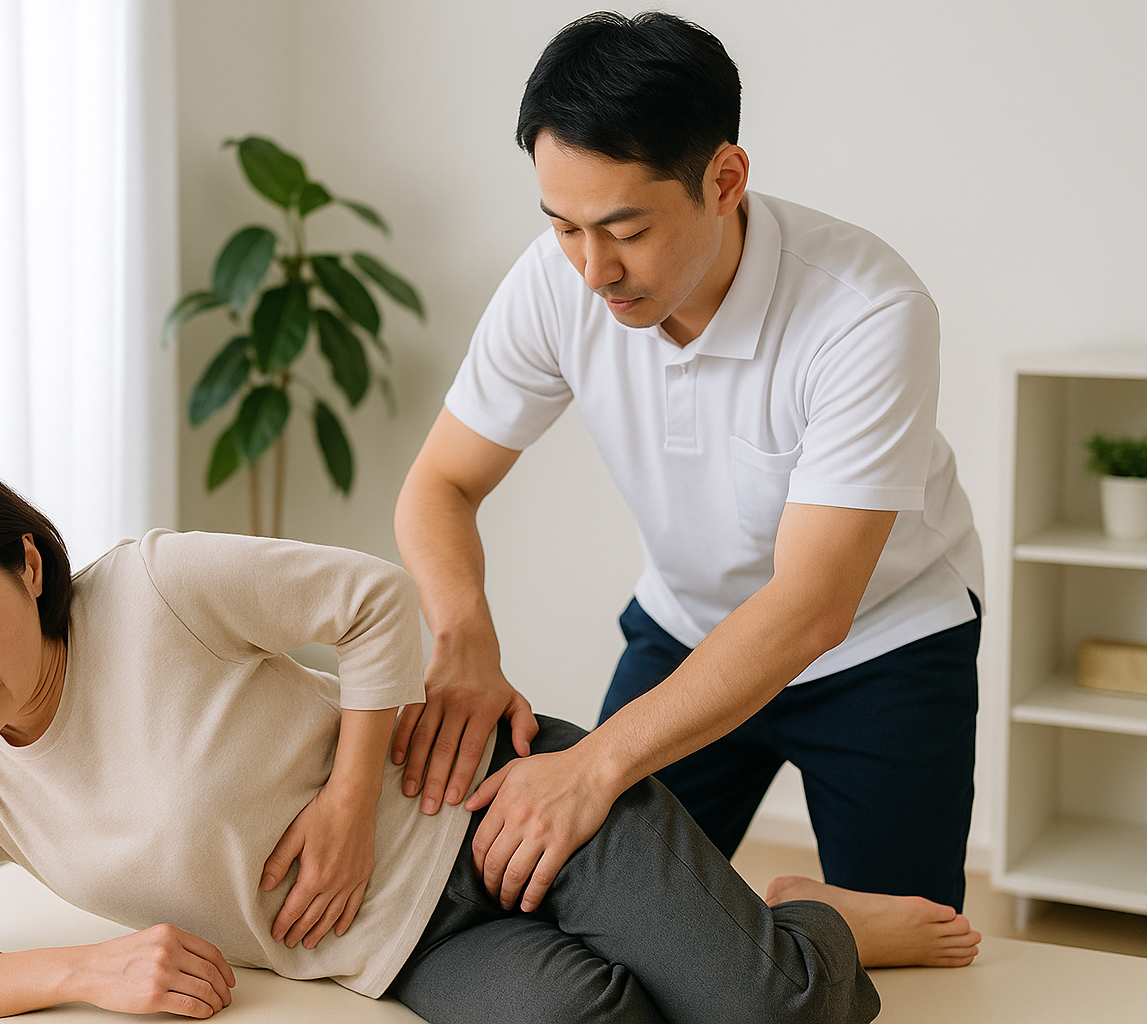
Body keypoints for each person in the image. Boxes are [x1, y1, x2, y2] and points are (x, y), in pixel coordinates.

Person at [0, 443, 878, 1024]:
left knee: (763, 1011)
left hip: (500, 796)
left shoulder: (153, 589)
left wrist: (351, 803)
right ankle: (743, 916)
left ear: (26, 569)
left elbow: (371, 602)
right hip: (405, 948)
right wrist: (89, 968)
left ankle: (811, 927)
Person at [392, 11, 985, 970]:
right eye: (563, 226)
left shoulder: (867, 311)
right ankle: (797, 922)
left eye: (625, 229)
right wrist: (464, 637)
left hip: (881, 642)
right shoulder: (558, 281)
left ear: (724, 180)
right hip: (686, 629)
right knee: (576, 908)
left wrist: (592, 763)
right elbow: (441, 483)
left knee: (923, 955)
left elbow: (810, 607)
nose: (592, 269)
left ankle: (838, 921)